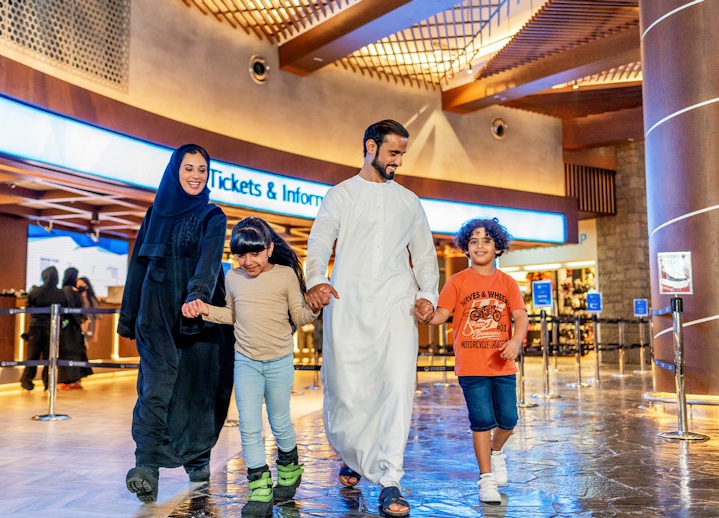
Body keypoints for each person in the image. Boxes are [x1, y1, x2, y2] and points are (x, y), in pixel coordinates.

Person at [304, 119, 439, 517]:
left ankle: (390, 478)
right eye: (393, 152)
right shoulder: (340, 195)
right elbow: (319, 243)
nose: (398, 161)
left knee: (397, 386)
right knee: (347, 389)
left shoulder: (409, 201)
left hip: (397, 304)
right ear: (370, 147)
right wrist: (317, 280)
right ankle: (354, 452)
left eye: (402, 154)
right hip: (349, 303)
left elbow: (426, 256)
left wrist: (426, 295)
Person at [118, 143, 235, 503]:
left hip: (198, 314)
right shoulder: (155, 213)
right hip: (155, 314)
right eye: (189, 168)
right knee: (154, 387)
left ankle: (198, 458)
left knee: (197, 388)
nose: (196, 176)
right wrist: (129, 316)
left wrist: (197, 295)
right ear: (175, 170)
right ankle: (146, 465)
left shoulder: (212, 216)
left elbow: (210, 260)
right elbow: (139, 266)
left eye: (202, 170)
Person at [182, 216, 317, 517]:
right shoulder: (232, 277)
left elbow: (298, 317)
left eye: (254, 253)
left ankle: (290, 469)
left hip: (280, 361)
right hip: (246, 361)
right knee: (249, 425)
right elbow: (232, 315)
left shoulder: (284, 276)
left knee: (280, 422)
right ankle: (259, 488)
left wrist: (315, 307)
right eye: (241, 254)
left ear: (269, 249)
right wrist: (203, 309)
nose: (247, 261)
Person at [418, 217, 528, 504]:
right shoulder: (457, 281)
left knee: (508, 420)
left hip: (503, 365)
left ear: (498, 247)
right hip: (470, 366)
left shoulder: (507, 282)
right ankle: (486, 478)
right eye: (474, 241)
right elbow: (442, 314)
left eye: (487, 240)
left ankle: (495, 451)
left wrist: (515, 341)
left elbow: (520, 317)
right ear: (466, 247)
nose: (480, 245)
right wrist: (428, 315)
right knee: (481, 421)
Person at [20, 266, 67, 391]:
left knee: (32, 355)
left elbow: (28, 306)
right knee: (50, 357)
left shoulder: (35, 291)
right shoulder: (60, 293)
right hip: (51, 328)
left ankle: (27, 381)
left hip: (35, 327)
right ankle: (49, 384)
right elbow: (64, 311)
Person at [58, 267, 93, 390]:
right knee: (69, 353)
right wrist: (80, 322)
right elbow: (71, 308)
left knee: (77, 352)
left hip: (75, 328)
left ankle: (74, 379)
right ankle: (66, 381)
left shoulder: (74, 291)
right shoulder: (67, 290)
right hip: (70, 329)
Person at [76, 276, 101, 348]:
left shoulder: (92, 300)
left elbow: (97, 318)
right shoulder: (76, 297)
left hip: (89, 329)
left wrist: (96, 334)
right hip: (78, 329)